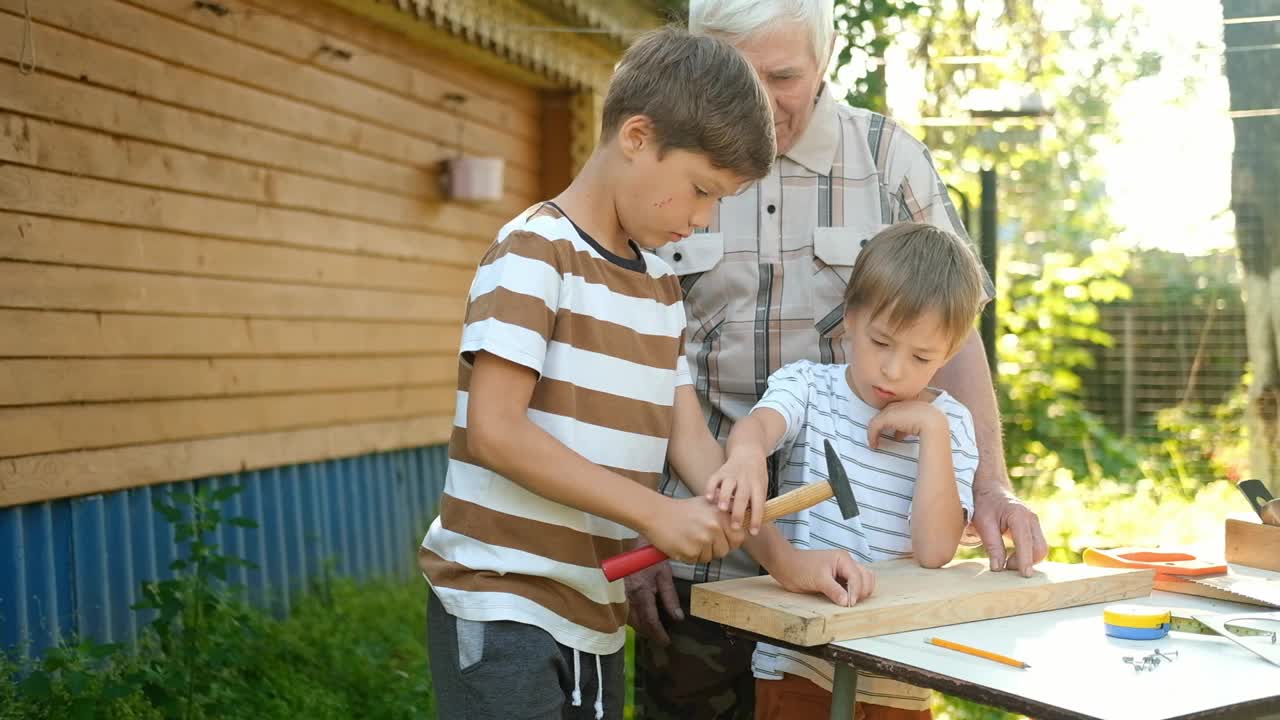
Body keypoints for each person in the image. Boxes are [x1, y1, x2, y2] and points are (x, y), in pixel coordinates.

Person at [629, 2, 1050, 718]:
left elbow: (956, 332)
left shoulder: (889, 160)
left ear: (825, 62)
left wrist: (992, 482)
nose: (758, 101)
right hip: (689, 541)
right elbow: (630, 349)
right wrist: (629, 515)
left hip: (850, 567)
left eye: (783, 76)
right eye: (736, 74)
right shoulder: (668, 162)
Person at [418, 27, 777, 720]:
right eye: (700, 191)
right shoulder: (534, 254)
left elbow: (690, 446)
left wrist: (742, 494)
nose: (703, 221)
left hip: (597, 613)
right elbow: (493, 432)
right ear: (637, 137)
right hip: (503, 603)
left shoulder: (662, 289)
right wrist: (654, 514)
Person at [713, 222, 986, 719]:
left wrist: (933, 431)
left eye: (921, 356)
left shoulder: (952, 427)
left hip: (900, 672)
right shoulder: (809, 388)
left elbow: (934, 551)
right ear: (852, 318)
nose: (894, 370)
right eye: (882, 342)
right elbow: (757, 429)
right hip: (799, 660)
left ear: (950, 350)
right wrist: (747, 455)